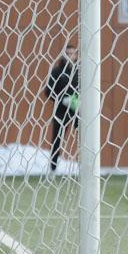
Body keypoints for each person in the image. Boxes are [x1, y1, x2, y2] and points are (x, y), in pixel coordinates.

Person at [45, 45, 79, 173]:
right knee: (57, 139)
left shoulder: (81, 71)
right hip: (61, 110)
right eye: (68, 53)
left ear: (76, 56)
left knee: (83, 138)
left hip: (78, 111)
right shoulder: (57, 71)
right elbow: (48, 91)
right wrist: (63, 99)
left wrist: (80, 100)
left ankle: (84, 167)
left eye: (72, 53)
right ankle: (53, 169)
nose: (70, 56)